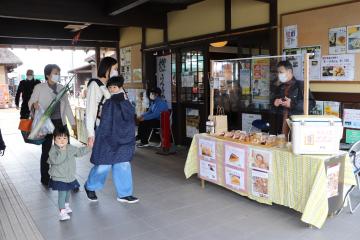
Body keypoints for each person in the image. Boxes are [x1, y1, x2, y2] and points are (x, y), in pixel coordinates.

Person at [85, 76, 139, 203]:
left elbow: (130, 116)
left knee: (123, 163)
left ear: (120, 87)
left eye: (114, 87)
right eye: (110, 87)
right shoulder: (105, 97)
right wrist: (91, 133)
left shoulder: (125, 99)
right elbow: (94, 114)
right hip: (106, 135)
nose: (112, 89)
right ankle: (90, 186)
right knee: (103, 165)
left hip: (123, 136)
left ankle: (125, 194)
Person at [28, 64, 75, 186]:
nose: (57, 75)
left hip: (60, 123)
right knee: (47, 151)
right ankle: (45, 178)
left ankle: (69, 177)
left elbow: (68, 107)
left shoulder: (62, 88)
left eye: (59, 73)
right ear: (48, 75)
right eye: (55, 73)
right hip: (47, 125)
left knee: (66, 151)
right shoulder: (39, 87)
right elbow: (31, 102)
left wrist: (73, 123)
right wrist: (34, 105)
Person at [83, 56, 117, 201]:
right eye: (115, 68)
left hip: (111, 128)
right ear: (107, 69)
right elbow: (90, 111)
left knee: (108, 160)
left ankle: (91, 185)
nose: (116, 71)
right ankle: (90, 185)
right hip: (100, 128)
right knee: (103, 162)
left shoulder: (109, 85)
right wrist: (91, 134)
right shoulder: (94, 85)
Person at [48, 127, 90, 221]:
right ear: (54, 139)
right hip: (59, 177)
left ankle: (66, 206)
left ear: (68, 138)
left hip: (69, 176)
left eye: (64, 138)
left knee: (67, 192)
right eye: (59, 138)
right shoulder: (53, 150)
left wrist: (89, 147)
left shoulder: (70, 148)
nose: (62, 141)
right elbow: (57, 161)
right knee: (62, 193)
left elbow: (79, 152)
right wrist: (62, 151)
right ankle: (62, 212)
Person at [271, 60, 315, 135]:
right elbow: (272, 108)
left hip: (296, 125)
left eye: (281, 72)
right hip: (280, 123)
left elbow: (311, 103)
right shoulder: (279, 87)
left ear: (289, 71)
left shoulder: (301, 85)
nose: (279, 75)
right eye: (278, 72)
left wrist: (292, 104)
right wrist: (274, 103)